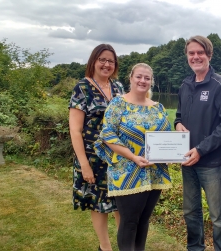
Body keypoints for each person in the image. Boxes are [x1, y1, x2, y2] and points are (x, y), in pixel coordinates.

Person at [94, 63, 173, 251]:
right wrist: (134, 157)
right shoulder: (118, 104)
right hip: (126, 171)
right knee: (129, 222)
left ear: (151, 82)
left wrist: (170, 155)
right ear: (130, 78)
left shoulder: (158, 107)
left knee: (144, 221)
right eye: (139, 76)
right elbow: (108, 134)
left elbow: (166, 137)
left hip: (154, 172)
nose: (143, 81)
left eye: (147, 78)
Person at [174, 35, 221, 251]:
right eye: (191, 53)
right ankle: (195, 248)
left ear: (209, 55)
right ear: (187, 56)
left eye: (200, 52)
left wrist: (201, 150)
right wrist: (178, 124)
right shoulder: (185, 84)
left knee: (217, 216)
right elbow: (179, 116)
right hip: (187, 161)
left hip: (210, 163)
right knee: (190, 211)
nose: (196, 57)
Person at [69, 44, 124, 251]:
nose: (106, 64)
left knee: (121, 203)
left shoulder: (118, 88)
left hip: (118, 156)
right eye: (102, 59)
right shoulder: (82, 88)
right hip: (92, 158)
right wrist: (84, 164)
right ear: (93, 61)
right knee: (99, 204)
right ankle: (105, 247)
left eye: (111, 61)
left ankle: (123, 245)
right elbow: (75, 131)